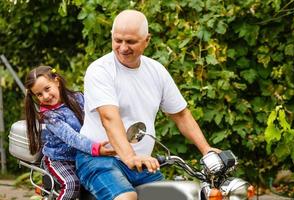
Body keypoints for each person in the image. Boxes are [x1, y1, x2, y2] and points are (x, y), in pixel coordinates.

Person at [76, 9, 219, 200]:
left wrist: (206, 149)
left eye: (131, 41)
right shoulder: (100, 70)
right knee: (126, 197)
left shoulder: (156, 71)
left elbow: (181, 115)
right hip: (99, 161)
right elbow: (109, 118)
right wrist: (129, 156)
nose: (123, 47)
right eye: (118, 40)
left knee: (176, 196)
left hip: (140, 165)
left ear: (147, 40)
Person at [24, 66, 115, 200]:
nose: (45, 96)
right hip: (59, 160)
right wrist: (96, 149)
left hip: (82, 155)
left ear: (57, 81)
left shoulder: (78, 98)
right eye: (39, 94)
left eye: (47, 89)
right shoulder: (49, 116)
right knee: (72, 184)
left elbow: (98, 117)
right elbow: (72, 138)